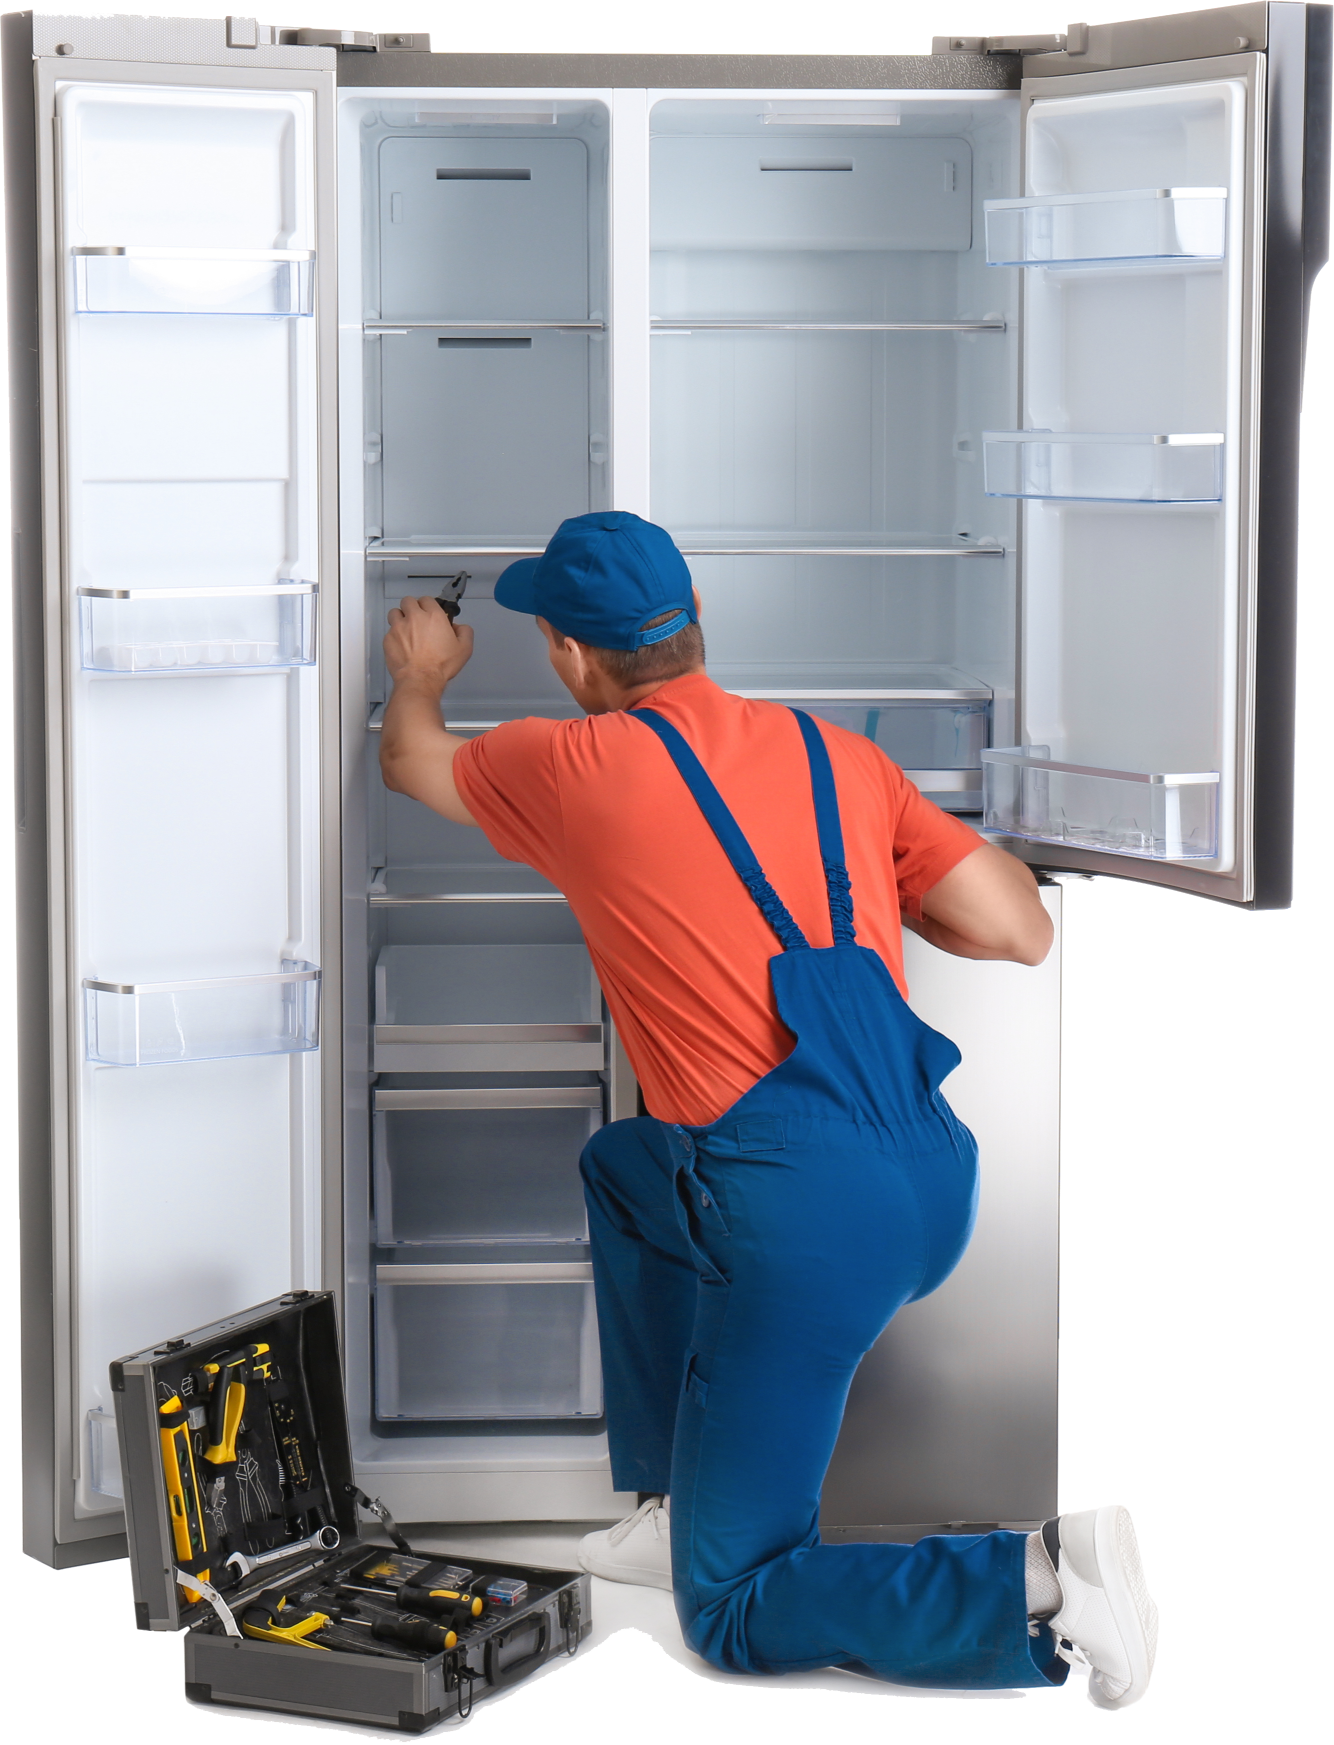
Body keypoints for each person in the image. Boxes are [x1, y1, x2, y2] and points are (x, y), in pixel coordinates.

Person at [379, 510, 1157, 1708]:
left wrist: (421, 678)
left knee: (732, 1611)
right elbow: (1017, 926)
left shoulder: (570, 764)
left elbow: (411, 761)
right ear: (692, 628)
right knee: (627, 1168)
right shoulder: (833, 757)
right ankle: (670, 1498)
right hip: (926, 1173)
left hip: (798, 1226)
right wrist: (876, 890)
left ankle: (1041, 1579)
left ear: (571, 658)